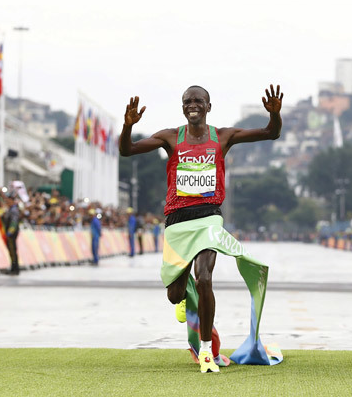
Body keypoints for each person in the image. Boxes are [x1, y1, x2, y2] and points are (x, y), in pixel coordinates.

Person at [119, 84, 284, 373]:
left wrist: (275, 115)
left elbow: (270, 133)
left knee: (205, 277)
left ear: (209, 106)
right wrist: (127, 126)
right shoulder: (170, 137)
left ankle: (206, 348)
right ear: (183, 107)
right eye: (187, 101)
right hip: (177, 222)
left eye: (198, 101)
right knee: (174, 293)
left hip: (209, 218)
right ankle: (186, 295)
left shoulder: (223, 137)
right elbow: (128, 150)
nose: (192, 105)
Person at [1, 194, 21, 275]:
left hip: (12, 233)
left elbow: (14, 222)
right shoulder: (10, 209)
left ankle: (15, 269)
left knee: (13, 251)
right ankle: (13, 267)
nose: (7, 202)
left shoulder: (13, 210)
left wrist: (10, 232)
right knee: (11, 251)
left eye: (8, 200)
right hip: (10, 233)